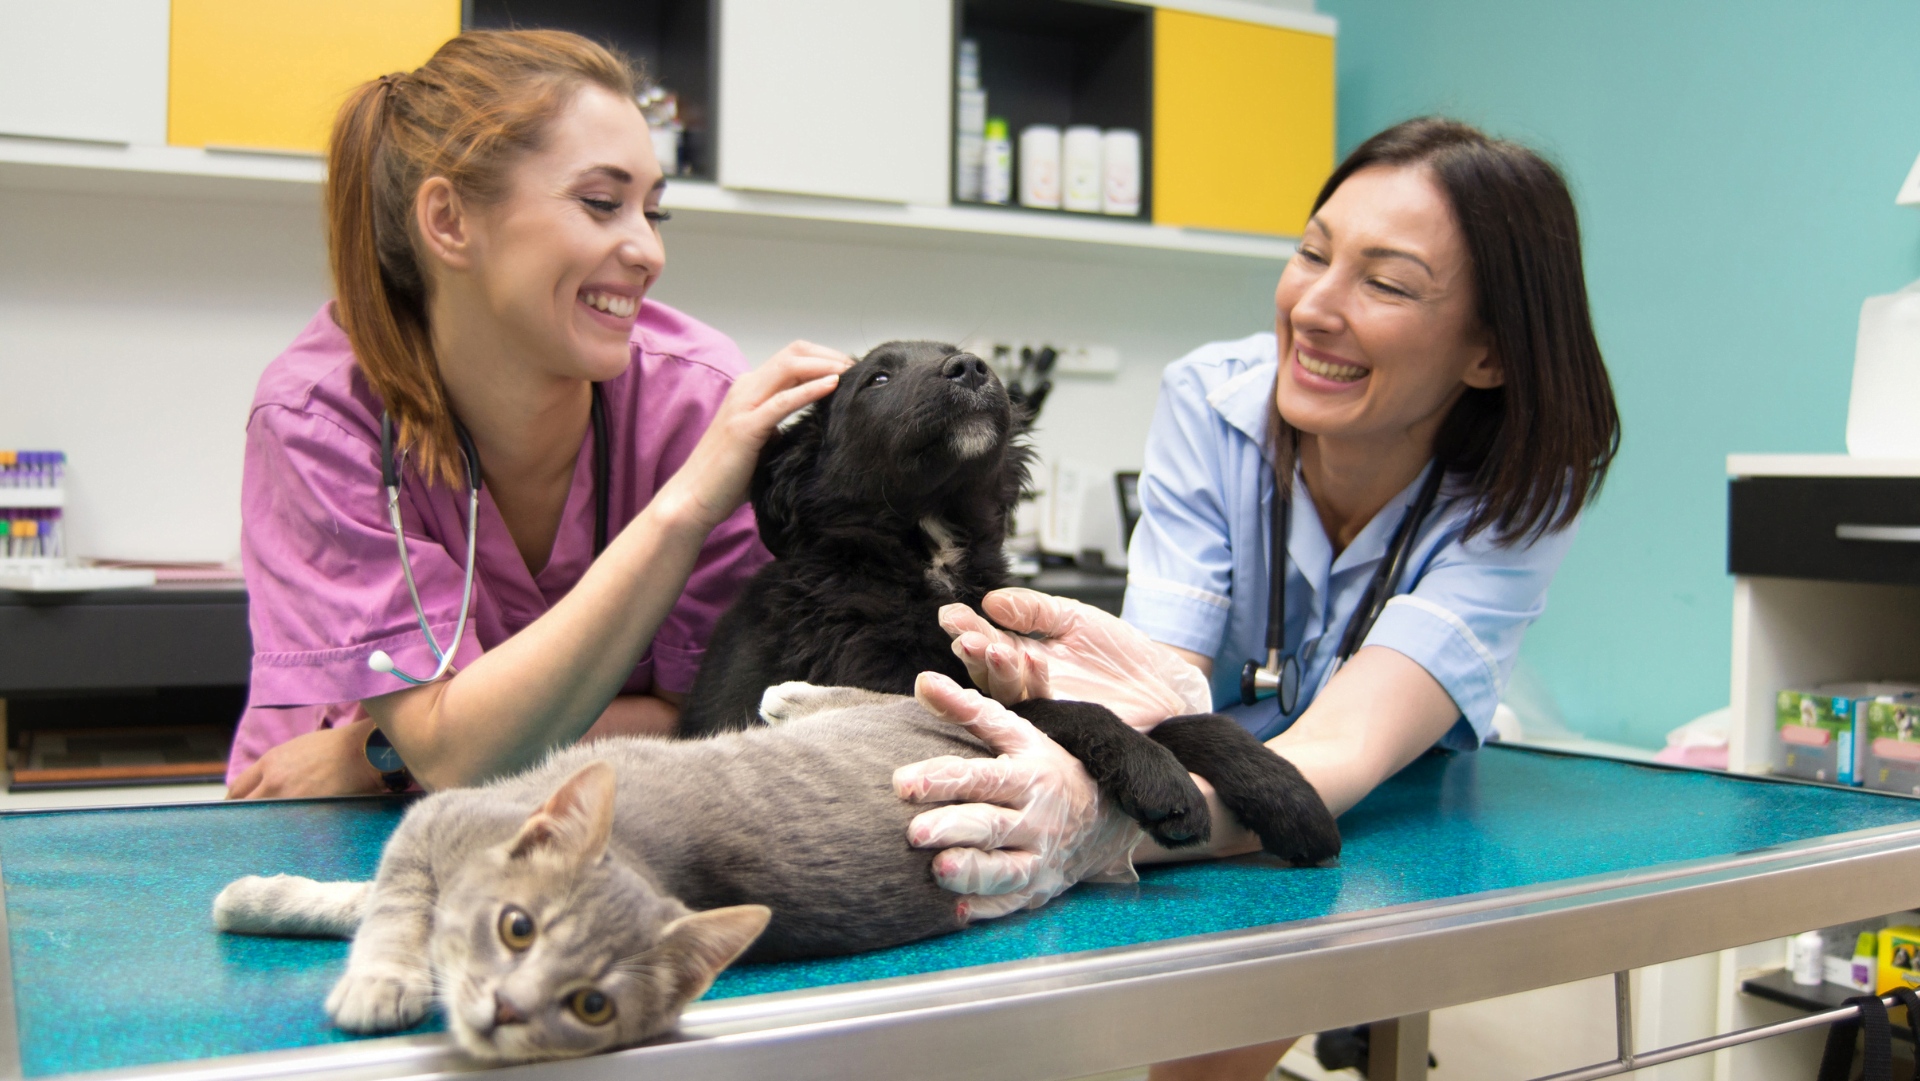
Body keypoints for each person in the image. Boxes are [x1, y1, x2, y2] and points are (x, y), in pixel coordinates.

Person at [901, 118, 1622, 1080]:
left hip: (1374, 817)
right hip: (1200, 779)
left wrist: (1101, 825)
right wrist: (1091, 757)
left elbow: (1344, 749)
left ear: (1488, 352)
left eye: (1388, 282)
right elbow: (1162, 688)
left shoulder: (1525, 487)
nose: (1315, 308)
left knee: (1199, 1066)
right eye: (1311, 254)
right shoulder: (1213, 399)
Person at [227, 30, 849, 798]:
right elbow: (452, 756)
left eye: (653, 212)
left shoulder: (693, 402)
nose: (648, 251)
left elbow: (720, 719)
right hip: (327, 828)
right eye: (601, 203)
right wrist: (683, 508)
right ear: (450, 221)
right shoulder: (320, 418)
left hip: (589, 821)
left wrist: (377, 756)